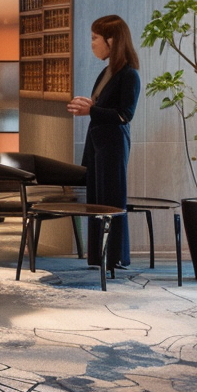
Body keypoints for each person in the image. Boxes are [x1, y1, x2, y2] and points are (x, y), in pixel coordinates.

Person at [67, 14, 141, 270]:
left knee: (111, 200)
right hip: (98, 142)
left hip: (113, 144)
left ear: (112, 40)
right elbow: (102, 108)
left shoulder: (129, 75)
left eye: (94, 38)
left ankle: (115, 256)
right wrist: (89, 106)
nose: (92, 44)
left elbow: (124, 115)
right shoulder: (107, 72)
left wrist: (91, 110)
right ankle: (99, 256)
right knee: (96, 200)